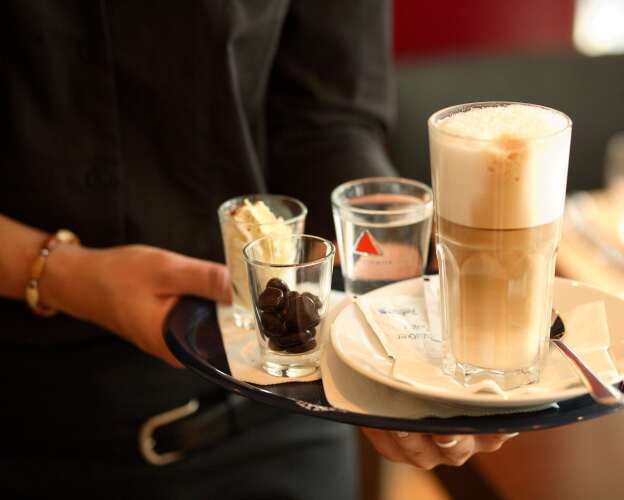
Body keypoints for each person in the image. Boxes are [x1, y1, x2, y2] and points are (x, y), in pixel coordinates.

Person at [0, 1, 515, 498]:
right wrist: (57, 272)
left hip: (282, 401)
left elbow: (326, 120)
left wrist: (390, 267)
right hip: (33, 422)